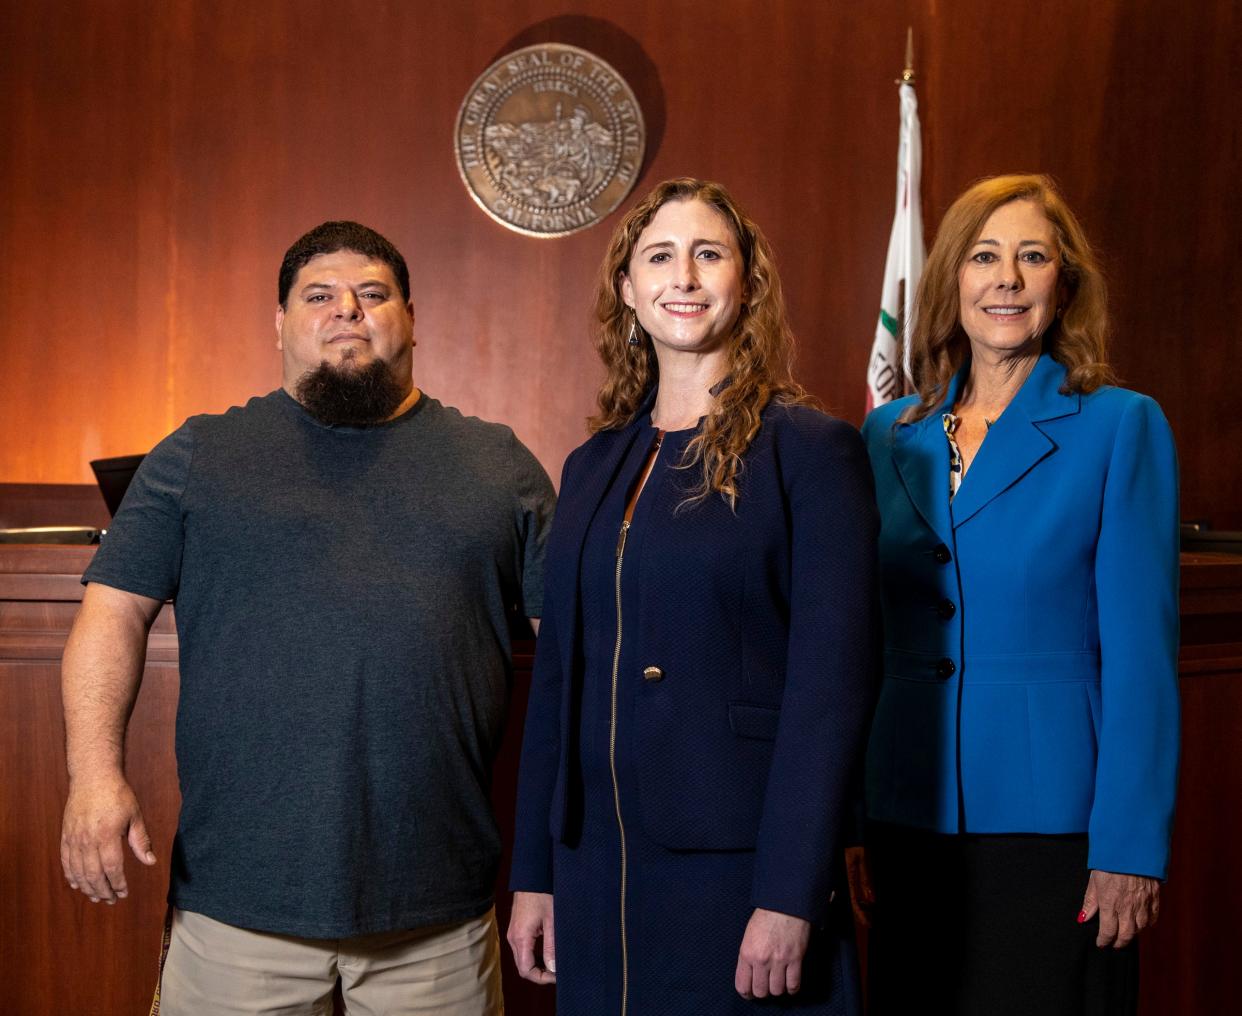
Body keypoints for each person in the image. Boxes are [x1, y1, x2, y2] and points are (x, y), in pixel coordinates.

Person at [58, 221, 555, 1015]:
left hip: (439, 916)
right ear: (280, 323)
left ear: (413, 317)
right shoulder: (200, 454)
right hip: (235, 910)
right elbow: (111, 615)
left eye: (373, 294)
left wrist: (553, 862)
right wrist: (93, 774)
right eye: (318, 295)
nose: (347, 311)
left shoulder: (497, 465)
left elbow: (578, 662)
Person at [506, 178, 878, 1014]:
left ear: (746, 282)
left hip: (738, 865)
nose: (686, 276)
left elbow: (831, 692)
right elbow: (559, 683)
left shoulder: (811, 453)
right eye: (661, 257)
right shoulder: (592, 464)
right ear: (629, 292)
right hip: (594, 863)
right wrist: (534, 872)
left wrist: (790, 891)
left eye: (709, 254)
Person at [855, 174, 1180, 1016]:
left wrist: (1132, 846)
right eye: (983, 256)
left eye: (1031, 257)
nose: (1006, 278)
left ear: (1062, 284)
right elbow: (860, 639)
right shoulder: (888, 434)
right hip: (905, 813)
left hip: (1056, 832)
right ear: (951, 282)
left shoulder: (1118, 425)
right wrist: (852, 819)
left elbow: (1142, 656)